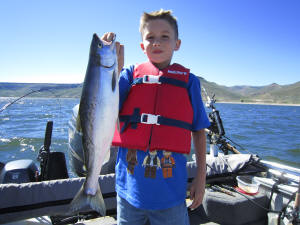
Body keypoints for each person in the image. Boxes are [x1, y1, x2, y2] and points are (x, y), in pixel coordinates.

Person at [102, 9, 210, 225]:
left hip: (171, 198)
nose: (157, 42)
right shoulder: (128, 75)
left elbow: (199, 131)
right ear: (142, 45)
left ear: (177, 44)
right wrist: (110, 68)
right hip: (128, 194)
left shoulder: (189, 81)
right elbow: (105, 106)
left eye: (164, 37)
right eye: (150, 37)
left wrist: (200, 178)